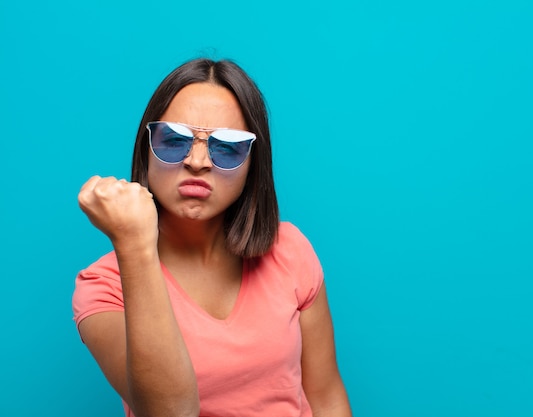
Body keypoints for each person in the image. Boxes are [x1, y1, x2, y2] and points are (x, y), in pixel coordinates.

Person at [72, 57, 352, 417]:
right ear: (147, 148)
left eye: (226, 147)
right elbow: (169, 412)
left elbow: (327, 397)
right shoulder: (103, 286)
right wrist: (134, 244)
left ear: (253, 163)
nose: (198, 161)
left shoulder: (290, 250)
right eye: (174, 140)